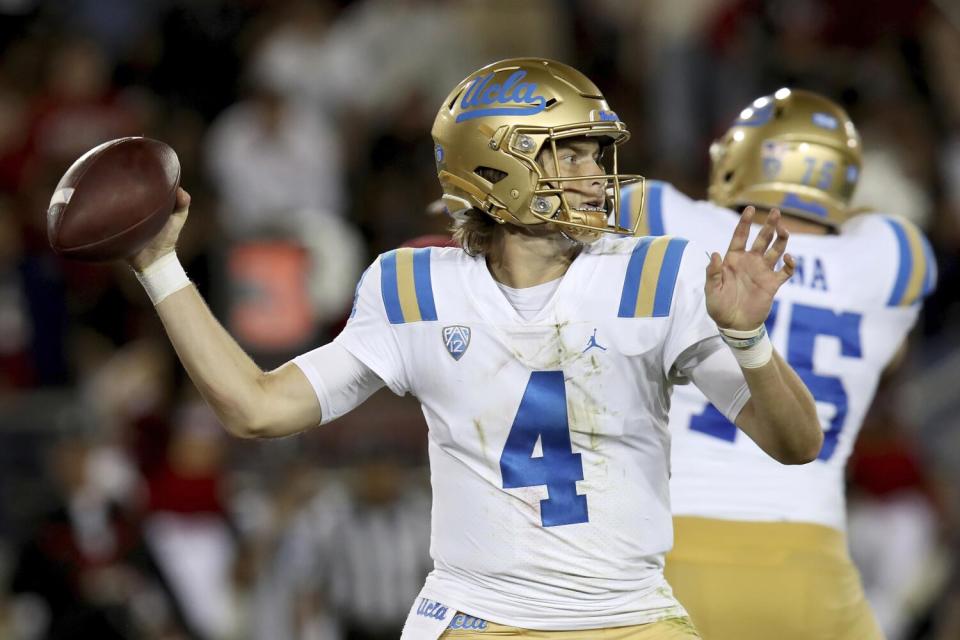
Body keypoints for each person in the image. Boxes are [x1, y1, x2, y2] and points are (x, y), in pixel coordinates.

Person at [123, 59, 822, 639]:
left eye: (596, 150)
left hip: (629, 612)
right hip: (476, 615)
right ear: (497, 165)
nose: (596, 172)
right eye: (569, 151)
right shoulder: (414, 288)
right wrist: (160, 265)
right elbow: (256, 409)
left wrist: (748, 340)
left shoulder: (659, 276)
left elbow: (796, 443)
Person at [620, 89, 936, 639]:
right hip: (816, 570)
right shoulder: (890, 257)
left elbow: (573, 203)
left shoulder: (670, 219)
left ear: (739, 160)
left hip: (674, 555)